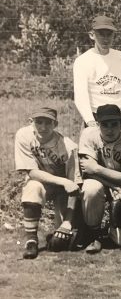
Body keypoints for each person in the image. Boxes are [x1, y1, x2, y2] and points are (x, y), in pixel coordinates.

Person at [15, 108, 80, 259]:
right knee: (32, 187)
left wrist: (68, 222)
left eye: (48, 123)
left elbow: (74, 186)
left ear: (55, 124)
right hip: (44, 183)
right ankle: (31, 241)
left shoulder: (68, 147)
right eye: (39, 122)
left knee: (61, 242)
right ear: (31, 122)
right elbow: (31, 172)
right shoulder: (23, 135)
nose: (43, 127)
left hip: (64, 191)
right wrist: (62, 180)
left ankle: (77, 227)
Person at [78, 104, 121, 254]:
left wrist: (98, 168)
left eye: (114, 124)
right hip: (106, 185)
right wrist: (116, 187)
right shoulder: (89, 134)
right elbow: (87, 172)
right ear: (97, 124)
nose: (109, 129)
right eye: (104, 125)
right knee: (90, 188)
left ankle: (113, 226)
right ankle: (94, 234)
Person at [73, 15, 121, 127]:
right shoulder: (83, 61)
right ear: (92, 35)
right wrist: (89, 120)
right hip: (96, 118)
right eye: (101, 34)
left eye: (109, 34)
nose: (106, 39)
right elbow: (80, 96)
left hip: (119, 116)